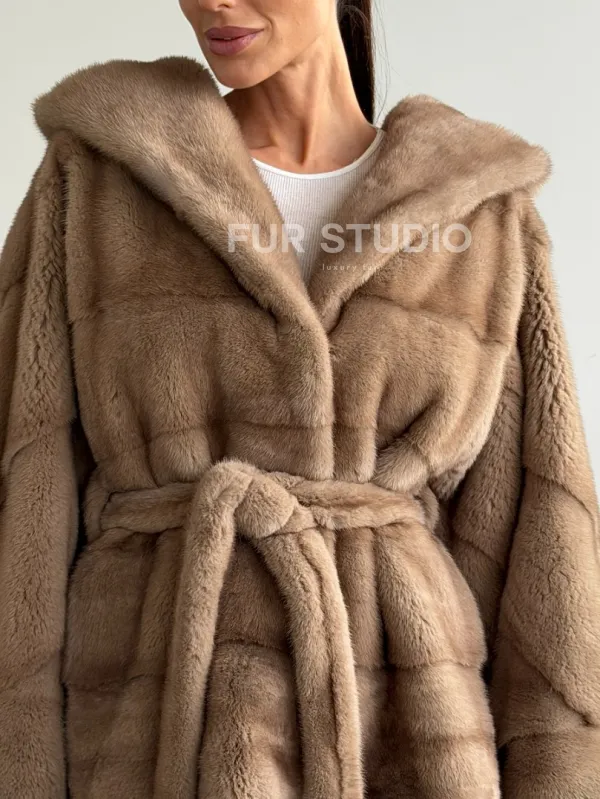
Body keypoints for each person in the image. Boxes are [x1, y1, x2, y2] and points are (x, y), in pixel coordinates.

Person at [1, 0, 598, 796]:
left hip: (408, 742)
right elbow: (27, 496)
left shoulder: (481, 210)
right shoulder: (101, 178)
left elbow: (538, 542)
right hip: (149, 736)